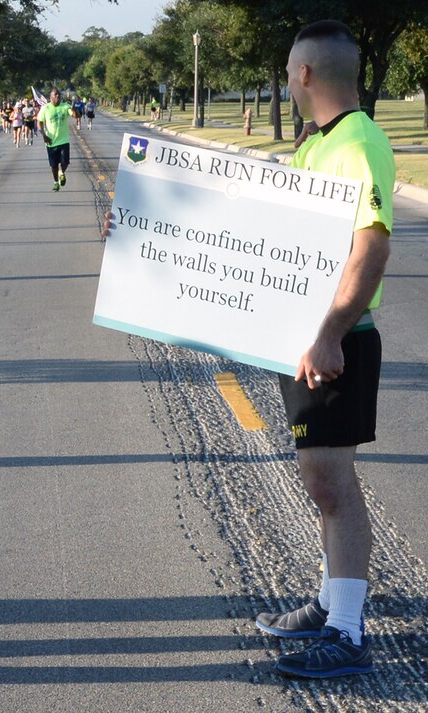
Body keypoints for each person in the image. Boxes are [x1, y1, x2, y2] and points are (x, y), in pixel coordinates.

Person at [246, 19, 396, 679]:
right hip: (309, 337)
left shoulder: (358, 142)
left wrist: (332, 332)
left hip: (339, 340)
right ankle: (330, 601)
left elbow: (373, 245)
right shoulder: (320, 143)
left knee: (332, 483)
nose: (286, 76)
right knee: (322, 481)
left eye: (287, 67)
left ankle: (347, 632)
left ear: (303, 74)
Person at [36, 89, 75, 191]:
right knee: (54, 165)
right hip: (51, 142)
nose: (58, 96)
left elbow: (75, 115)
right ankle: (56, 182)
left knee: (65, 162)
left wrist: (74, 110)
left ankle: (62, 172)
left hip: (64, 140)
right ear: (51, 97)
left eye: (59, 94)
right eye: (55, 94)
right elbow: (39, 122)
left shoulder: (65, 106)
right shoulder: (45, 108)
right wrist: (43, 135)